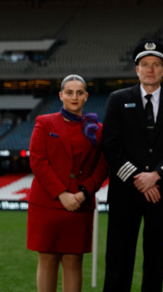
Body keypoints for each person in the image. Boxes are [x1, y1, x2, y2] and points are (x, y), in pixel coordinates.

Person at [102, 40, 163, 292]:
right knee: (118, 260)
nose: (150, 69)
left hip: (161, 195)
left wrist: (157, 176)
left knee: (155, 261)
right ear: (136, 69)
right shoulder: (117, 100)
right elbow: (110, 145)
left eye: (156, 64)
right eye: (145, 64)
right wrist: (139, 179)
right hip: (124, 194)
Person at [27, 74, 108, 292]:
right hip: (48, 203)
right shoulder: (44, 122)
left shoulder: (98, 129)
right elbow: (38, 160)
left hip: (80, 205)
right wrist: (62, 193)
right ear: (61, 95)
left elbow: (102, 166)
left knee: (74, 261)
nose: (74, 96)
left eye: (79, 92)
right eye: (69, 92)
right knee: (48, 259)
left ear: (86, 96)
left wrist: (83, 193)